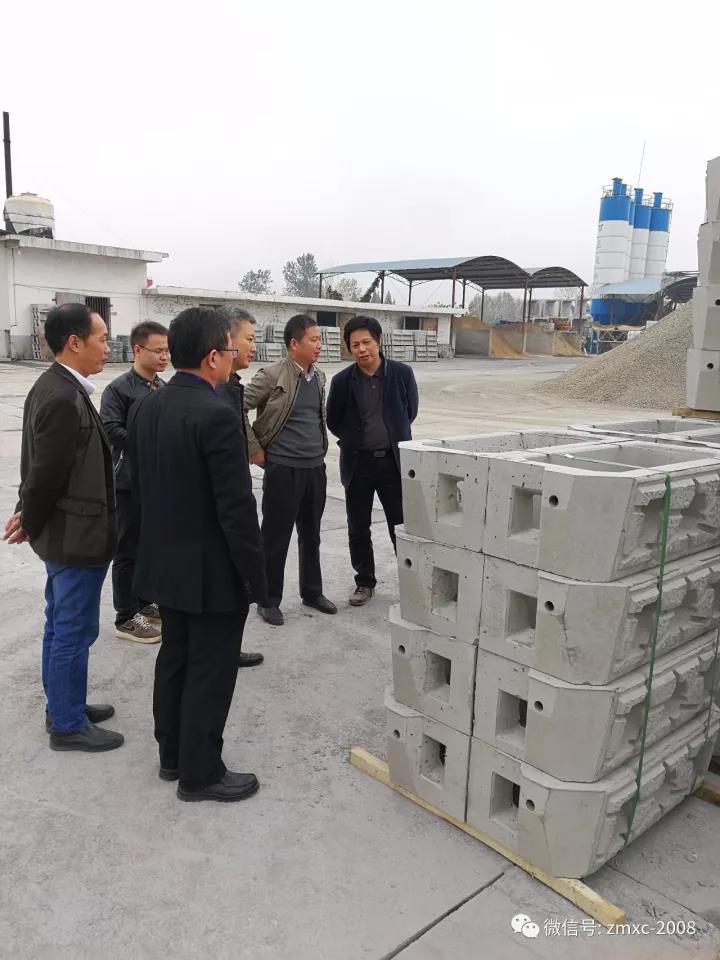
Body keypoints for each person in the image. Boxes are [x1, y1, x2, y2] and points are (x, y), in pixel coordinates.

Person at [129, 307, 267, 802]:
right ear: (212, 356)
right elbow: (236, 509)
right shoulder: (218, 414)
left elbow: (141, 488)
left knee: (175, 658)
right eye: (231, 350)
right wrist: (256, 576)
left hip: (165, 563)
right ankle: (201, 772)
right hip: (211, 572)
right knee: (210, 670)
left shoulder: (149, 406)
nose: (234, 358)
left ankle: (172, 756)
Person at [3, 303, 123, 752]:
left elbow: (40, 465)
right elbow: (45, 473)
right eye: (102, 339)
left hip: (68, 533)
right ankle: (68, 725)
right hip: (76, 537)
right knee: (72, 630)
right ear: (74, 342)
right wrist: (29, 518)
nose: (108, 347)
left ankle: (64, 704)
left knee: (61, 625)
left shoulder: (59, 386)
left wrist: (28, 514)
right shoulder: (61, 396)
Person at [243, 314, 336, 626]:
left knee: (311, 535)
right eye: (314, 339)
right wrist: (253, 447)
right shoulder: (271, 375)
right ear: (294, 344)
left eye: (320, 339)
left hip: (315, 468)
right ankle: (267, 600)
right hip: (283, 469)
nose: (319, 345)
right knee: (275, 537)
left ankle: (312, 592)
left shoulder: (319, 377)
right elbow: (237, 405)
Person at [326, 316, 418, 606]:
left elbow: (410, 411)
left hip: (393, 463)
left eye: (366, 342)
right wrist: (355, 439)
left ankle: (411, 584)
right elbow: (333, 420)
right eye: (355, 345)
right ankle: (364, 582)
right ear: (349, 348)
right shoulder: (342, 381)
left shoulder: (402, 374)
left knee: (400, 525)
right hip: (358, 464)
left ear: (379, 341)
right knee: (358, 527)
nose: (362, 349)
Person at [100, 321, 169, 643]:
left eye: (167, 351)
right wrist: (150, 442)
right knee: (127, 550)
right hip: (128, 481)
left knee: (150, 546)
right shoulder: (119, 389)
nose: (164, 356)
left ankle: (144, 601)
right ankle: (125, 615)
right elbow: (111, 429)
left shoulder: (162, 387)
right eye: (158, 350)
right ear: (138, 350)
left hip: (156, 481)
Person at [214, 304, 263, 667]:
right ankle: (222, 652)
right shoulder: (215, 394)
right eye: (249, 338)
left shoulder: (232, 387)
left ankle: (228, 648)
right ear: (226, 341)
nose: (254, 346)